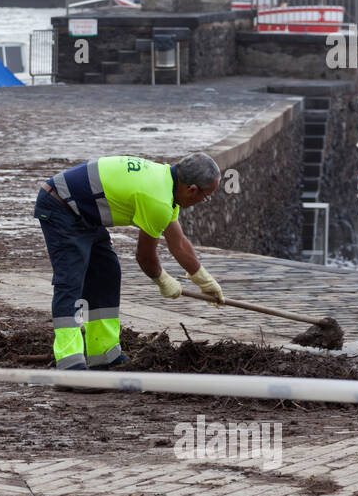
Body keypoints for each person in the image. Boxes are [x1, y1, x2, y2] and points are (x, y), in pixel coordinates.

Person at [34, 152, 224, 371]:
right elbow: (145, 257)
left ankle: (104, 353)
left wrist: (204, 281)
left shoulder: (166, 183)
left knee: (106, 274)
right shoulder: (158, 200)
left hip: (86, 213)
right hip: (61, 205)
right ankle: (69, 364)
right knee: (71, 280)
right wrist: (163, 281)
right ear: (192, 190)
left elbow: (178, 242)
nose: (204, 201)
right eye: (207, 196)